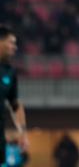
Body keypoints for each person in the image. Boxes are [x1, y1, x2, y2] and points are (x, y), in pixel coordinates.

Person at [0, 25, 29, 167]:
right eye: (12, 42)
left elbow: (15, 105)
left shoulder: (9, 72)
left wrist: (22, 132)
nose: (15, 47)